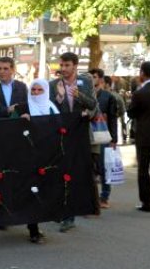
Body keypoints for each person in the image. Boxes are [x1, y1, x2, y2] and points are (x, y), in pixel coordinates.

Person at [49, 52, 97, 232]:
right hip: (60, 136)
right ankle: (60, 211)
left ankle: (70, 215)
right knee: (58, 173)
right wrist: (60, 97)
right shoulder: (53, 85)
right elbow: (49, 108)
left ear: (75, 66)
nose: (63, 69)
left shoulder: (85, 82)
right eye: (61, 65)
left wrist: (79, 96)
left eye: (67, 65)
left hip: (79, 135)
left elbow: (93, 105)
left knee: (76, 174)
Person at [25, 78, 60, 244]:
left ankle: (38, 224)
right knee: (32, 191)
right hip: (29, 158)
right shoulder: (24, 107)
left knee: (45, 190)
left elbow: (60, 128)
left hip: (48, 157)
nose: (36, 93)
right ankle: (33, 229)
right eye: (33, 90)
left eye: (40, 90)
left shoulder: (52, 108)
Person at [127, 61, 150, 213]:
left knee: (143, 170)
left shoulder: (139, 93)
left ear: (142, 73)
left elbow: (131, 113)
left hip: (144, 136)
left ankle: (147, 202)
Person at [89, 68, 118, 209]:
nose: (92, 79)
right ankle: (90, 197)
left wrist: (114, 139)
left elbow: (113, 118)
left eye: (94, 76)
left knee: (103, 167)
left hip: (102, 136)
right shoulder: (84, 95)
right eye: (90, 77)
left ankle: (104, 196)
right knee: (88, 167)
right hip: (86, 135)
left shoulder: (108, 96)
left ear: (101, 79)